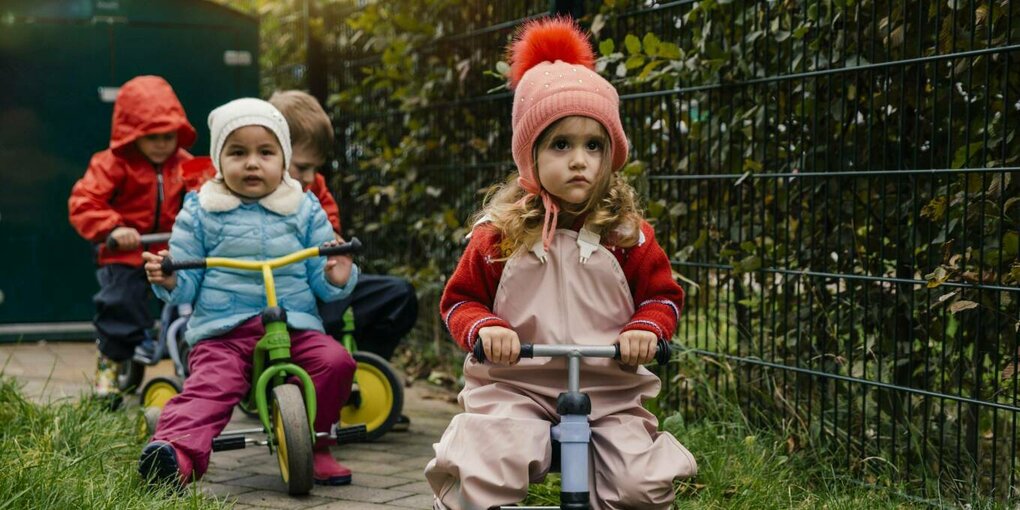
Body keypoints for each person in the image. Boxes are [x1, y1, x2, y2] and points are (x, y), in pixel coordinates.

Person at [424, 18, 697, 509]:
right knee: (483, 464)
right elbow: (459, 300)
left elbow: (662, 296)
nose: (579, 161)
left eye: (594, 146)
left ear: (612, 155)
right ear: (530, 156)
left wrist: (646, 329)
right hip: (516, 385)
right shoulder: (498, 236)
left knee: (641, 485)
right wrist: (485, 328)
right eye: (561, 145)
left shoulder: (627, 237)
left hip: (607, 389)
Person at [138, 98, 359, 488]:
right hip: (224, 329)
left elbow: (321, 279)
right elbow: (185, 279)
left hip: (294, 324)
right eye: (238, 152)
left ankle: (318, 442)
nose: (252, 163)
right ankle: (175, 454)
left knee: (335, 361)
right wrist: (169, 277)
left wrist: (338, 274)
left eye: (266, 152)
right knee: (211, 385)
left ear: (283, 158)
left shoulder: (304, 208)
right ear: (218, 159)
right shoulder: (201, 209)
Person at [68, 75, 196, 401]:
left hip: (170, 251)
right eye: (151, 136)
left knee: (201, 297)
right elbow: (84, 203)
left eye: (169, 136)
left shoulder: (184, 164)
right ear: (131, 134)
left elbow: (207, 194)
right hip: (126, 253)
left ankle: (205, 361)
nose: (162, 143)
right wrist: (113, 228)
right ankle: (109, 367)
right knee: (119, 305)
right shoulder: (112, 164)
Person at [267, 91, 418, 364]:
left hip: (322, 289)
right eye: (302, 167)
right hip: (278, 298)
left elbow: (331, 241)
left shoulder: (314, 189)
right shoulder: (249, 196)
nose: (311, 177)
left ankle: (363, 369)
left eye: (316, 167)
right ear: (273, 149)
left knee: (399, 295)